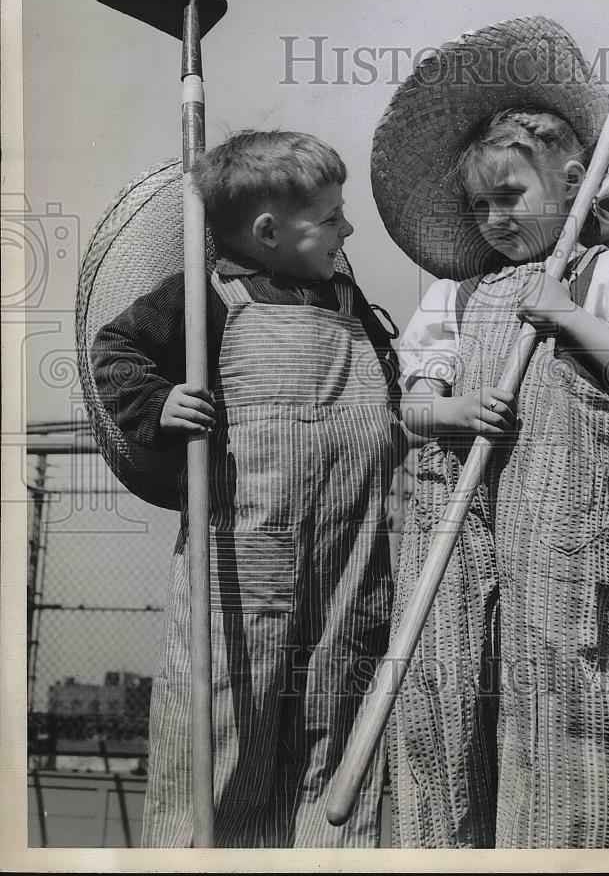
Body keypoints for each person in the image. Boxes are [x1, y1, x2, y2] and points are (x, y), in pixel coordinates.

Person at [370, 17, 609, 848]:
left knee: (560, 662)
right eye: (479, 205)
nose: (493, 219)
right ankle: (449, 844)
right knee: (447, 673)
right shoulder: (459, 294)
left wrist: (569, 318)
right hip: (459, 507)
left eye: (510, 196)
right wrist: (448, 413)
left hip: (566, 509)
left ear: (577, 181)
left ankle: (578, 844)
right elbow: (407, 404)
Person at [91, 129, 404, 848]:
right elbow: (118, 351)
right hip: (244, 567)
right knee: (229, 721)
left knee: (336, 721)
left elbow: (389, 399)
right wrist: (158, 404)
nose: (347, 227)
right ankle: (200, 856)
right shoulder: (208, 298)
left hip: (353, 562)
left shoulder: (350, 302)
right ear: (267, 233)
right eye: (330, 216)